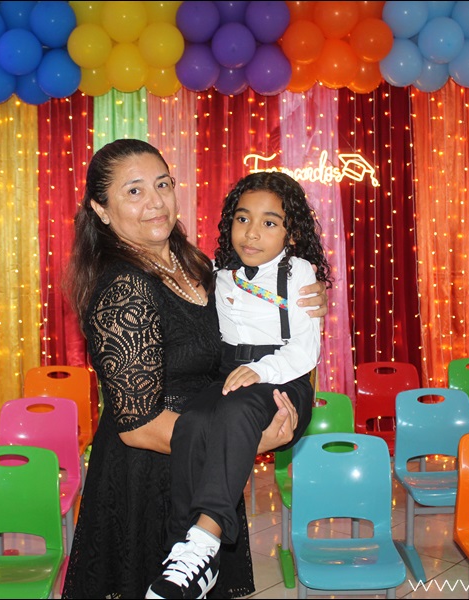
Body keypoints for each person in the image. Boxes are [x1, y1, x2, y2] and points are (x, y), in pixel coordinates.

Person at [60, 138, 329, 600]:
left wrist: (304, 297)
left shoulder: (197, 264)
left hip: (207, 462)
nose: (156, 202)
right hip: (150, 476)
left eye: (163, 184)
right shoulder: (124, 288)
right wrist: (245, 443)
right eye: (134, 191)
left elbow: (258, 316)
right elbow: (137, 427)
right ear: (101, 210)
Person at [147, 172, 332, 599]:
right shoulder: (218, 271)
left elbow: (306, 350)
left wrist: (262, 371)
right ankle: (185, 552)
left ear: (291, 232)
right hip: (231, 374)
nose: (252, 233)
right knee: (191, 423)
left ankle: (206, 537)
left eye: (269, 223)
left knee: (234, 412)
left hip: (283, 377)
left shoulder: (298, 272)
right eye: (243, 219)